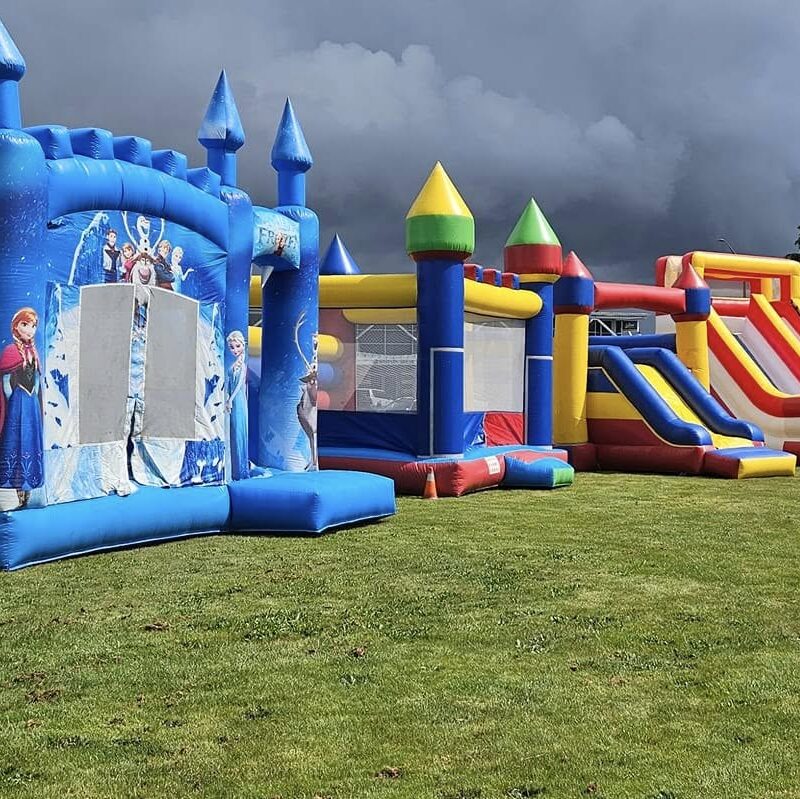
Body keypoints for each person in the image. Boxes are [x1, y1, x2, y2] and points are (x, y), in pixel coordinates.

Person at [0, 308, 43, 507]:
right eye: (25, 324)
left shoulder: (33, 352)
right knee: (16, 441)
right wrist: (13, 401)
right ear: (16, 326)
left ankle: (27, 488)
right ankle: (14, 489)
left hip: (31, 403)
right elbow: (6, 381)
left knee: (29, 440)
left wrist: (35, 400)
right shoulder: (10, 352)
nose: (30, 330)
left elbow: (36, 378)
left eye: (33, 326)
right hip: (18, 404)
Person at [225, 330, 247, 480]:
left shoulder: (242, 365)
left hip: (237, 400)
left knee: (238, 430)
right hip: (231, 399)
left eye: (237, 346)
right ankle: (233, 468)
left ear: (243, 346)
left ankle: (240, 469)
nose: (235, 350)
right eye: (232, 347)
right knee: (232, 430)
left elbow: (239, 385)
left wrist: (230, 399)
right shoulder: (233, 364)